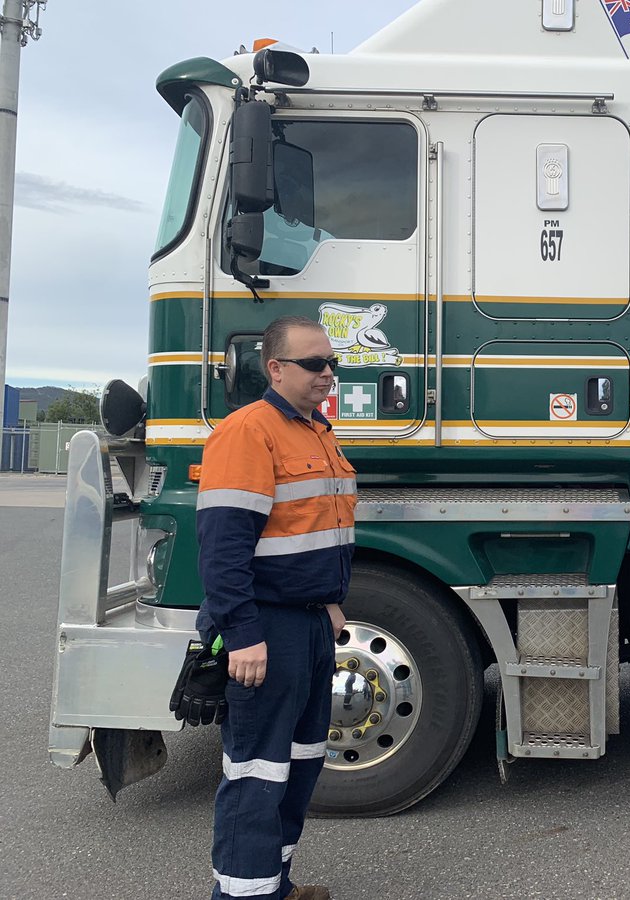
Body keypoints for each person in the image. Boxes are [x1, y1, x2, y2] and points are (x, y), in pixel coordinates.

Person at [196, 315, 357, 900]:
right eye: (315, 364)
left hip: (309, 622)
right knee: (257, 775)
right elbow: (223, 546)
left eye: (331, 362)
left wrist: (330, 604)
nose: (328, 373)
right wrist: (242, 633)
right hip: (266, 626)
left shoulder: (317, 431)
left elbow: (320, 528)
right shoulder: (249, 432)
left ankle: (275, 885)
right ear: (276, 368)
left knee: (298, 766)